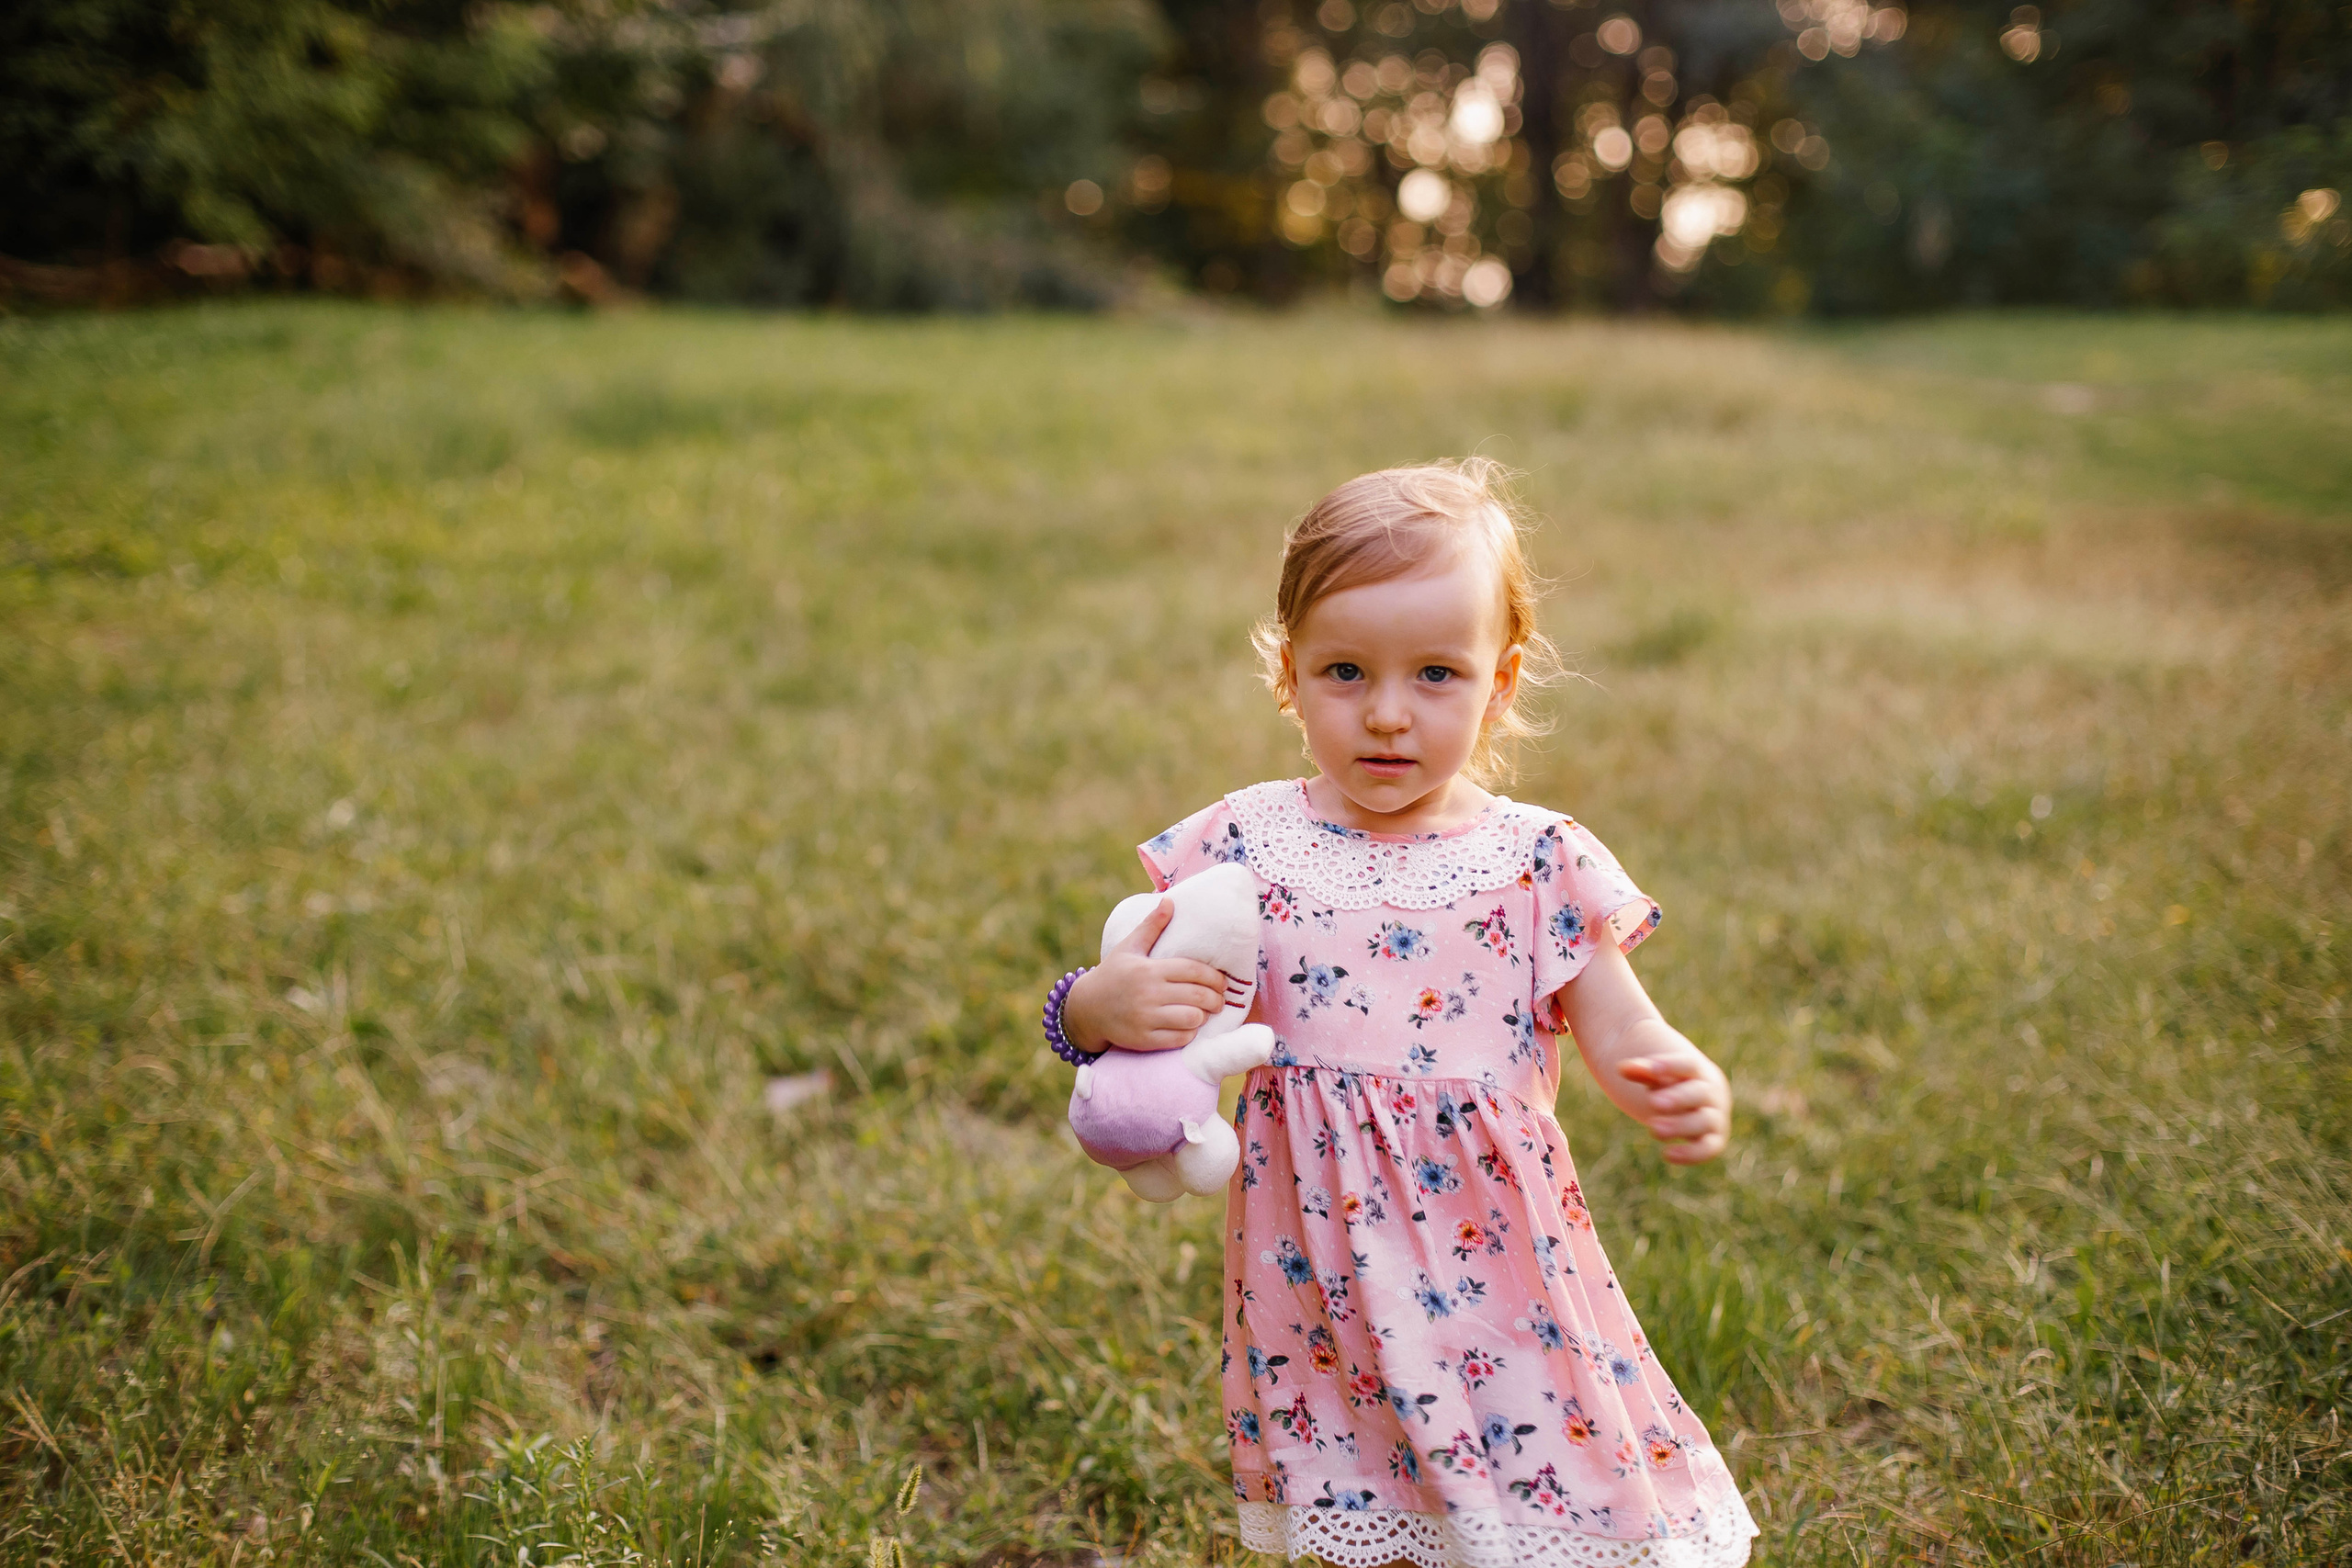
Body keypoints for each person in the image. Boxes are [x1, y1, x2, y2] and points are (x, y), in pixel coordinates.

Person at [1046, 461, 1758, 1567]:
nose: (1386, 714)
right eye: (1344, 671)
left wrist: (1674, 1076)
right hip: (1310, 1258)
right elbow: (1120, 1016)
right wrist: (1095, 1006)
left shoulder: (1536, 859)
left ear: (1502, 682)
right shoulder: (1243, 846)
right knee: (1357, 1475)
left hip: (1494, 1255)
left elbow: (1620, 1026)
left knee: (1527, 1460)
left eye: (1435, 674)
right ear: (1286, 673)